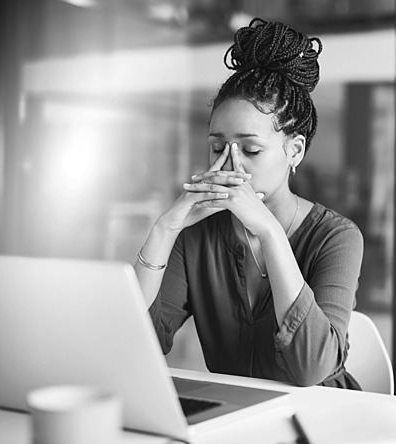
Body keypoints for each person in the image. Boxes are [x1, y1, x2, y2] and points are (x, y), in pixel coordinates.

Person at [134, 18, 364, 390]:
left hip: (323, 415)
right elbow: (140, 342)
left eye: (251, 149)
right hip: (237, 415)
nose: (229, 164)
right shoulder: (197, 236)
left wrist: (270, 232)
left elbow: (312, 369)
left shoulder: (336, 237)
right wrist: (164, 230)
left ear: (295, 150)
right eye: (216, 147)